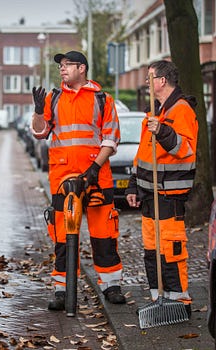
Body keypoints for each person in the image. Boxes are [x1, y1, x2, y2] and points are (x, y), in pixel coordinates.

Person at [31, 50, 126, 310]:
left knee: (104, 234)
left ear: (81, 68)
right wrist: (39, 110)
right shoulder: (54, 97)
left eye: (67, 65)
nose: (62, 69)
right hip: (62, 177)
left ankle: (111, 285)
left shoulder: (101, 98)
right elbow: (40, 132)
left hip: (96, 177)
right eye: (61, 65)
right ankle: (62, 290)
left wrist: (95, 168)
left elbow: (111, 137)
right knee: (62, 236)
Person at [125, 60, 198, 316]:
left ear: (162, 80)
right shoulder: (154, 112)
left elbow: (185, 150)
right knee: (152, 251)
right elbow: (142, 154)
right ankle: (159, 300)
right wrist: (133, 185)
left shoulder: (181, 111)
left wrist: (163, 131)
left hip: (169, 196)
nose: (147, 83)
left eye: (149, 78)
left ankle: (179, 303)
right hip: (149, 196)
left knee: (171, 250)